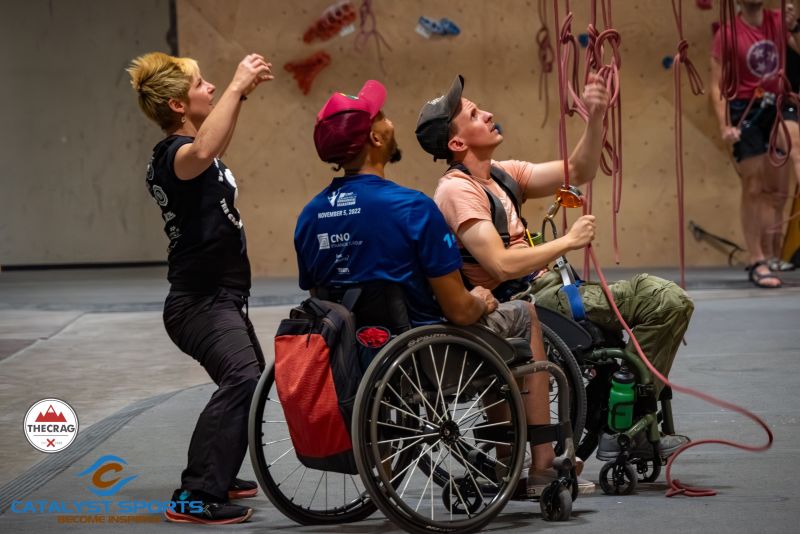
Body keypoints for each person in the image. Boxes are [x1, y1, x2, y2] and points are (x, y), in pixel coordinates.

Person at [294, 80, 594, 496]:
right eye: (380, 115)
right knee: (518, 317)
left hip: (353, 359)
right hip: (427, 359)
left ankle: (505, 456)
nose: (387, 117)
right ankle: (542, 464)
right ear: (376, 139)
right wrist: (478, 299)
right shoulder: (411, 207)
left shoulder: (309, 217)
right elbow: (457, 310)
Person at [415, 75, 694, 462]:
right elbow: (500, 264)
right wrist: (566, 241)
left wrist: (595, 116)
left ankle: (625, 415)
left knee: (663, 303)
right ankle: (624, 427)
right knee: (665, 300)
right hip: (527, 298)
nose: (490, 113)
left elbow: (578, 169)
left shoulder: (501, 174)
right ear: (457, 143)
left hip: (552, 289)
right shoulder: (457, 191)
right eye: (476, 114)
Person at [127, 51, 273, 524]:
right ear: (176, 105)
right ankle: (196, 493)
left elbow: (214, 141)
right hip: (199, 303)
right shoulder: (174, 158)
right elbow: (204, 151)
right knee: (245, 379)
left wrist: (240, 97)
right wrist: (235, 84)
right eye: (202, 84)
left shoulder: (193, 153)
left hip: (220, 298)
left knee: (252, 383)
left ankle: (221, 468)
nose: (211, 87)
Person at [711, 0, 800, 287]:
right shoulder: (727, 33)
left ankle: (772, 254)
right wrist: (725, 124)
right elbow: (717, 84)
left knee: (784, 175)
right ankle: (758, 258)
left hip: (778, 102)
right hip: (745, 108)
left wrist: (795, 26)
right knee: (754, 186)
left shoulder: (778, 21)